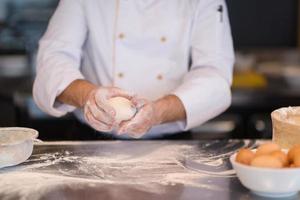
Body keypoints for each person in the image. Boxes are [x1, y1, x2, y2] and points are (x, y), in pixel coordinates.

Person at [33, 0, 234, 139]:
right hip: (92, 143)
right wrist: (90, 97)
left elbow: (214, 73)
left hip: (171, 147)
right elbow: (54, 58)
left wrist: (157, 112)